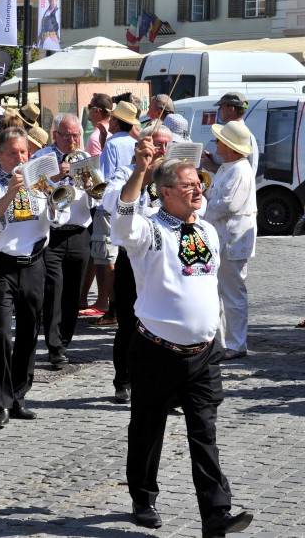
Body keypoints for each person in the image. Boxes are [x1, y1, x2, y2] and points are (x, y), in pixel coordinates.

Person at [113, 140, 253, 537]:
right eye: (190, 185)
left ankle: (216, 515)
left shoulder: (207, 229)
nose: (199, 190)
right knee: (147, 427)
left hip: (203, 354)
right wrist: (141, 170)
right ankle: (142, 497)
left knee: (204, 432)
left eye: (199, 184)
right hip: (156, 350)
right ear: (166, 192)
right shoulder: (150, 232)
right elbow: (123, 223)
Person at [0, 127, 70, 427]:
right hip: (0, 266)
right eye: (13, 153)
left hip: (33, 263)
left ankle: (19, 395)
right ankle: (0, 401)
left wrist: (54, 196)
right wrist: (10, 193)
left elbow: (60, 218)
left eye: (24, 152)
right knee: (1, 332)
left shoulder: (39, 183)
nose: (19, 157)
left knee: (30, 329)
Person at [101, 123, 174, 404]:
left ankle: (165, 384)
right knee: (129, 324)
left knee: (165, 323)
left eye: (166, 144)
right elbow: (110, 201)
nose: (162, 149)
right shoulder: (125, 171)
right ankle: (123, 380)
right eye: (157, 143)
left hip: (164, 259)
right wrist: (140, 175)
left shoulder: (170, 174)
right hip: (132, 258)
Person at [33, 114, 93, 367]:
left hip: (79, 231)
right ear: (55, 134)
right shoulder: (42, 159)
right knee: (53, 290)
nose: (72, 140)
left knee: (74, 292)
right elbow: (30, 189)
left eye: (76, 135)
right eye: (66, 135)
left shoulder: (84, 158)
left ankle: (64, 341)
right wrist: (54, 178)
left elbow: (98, 195)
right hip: (53, 234)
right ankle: (54, 346)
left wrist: (90, 184)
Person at [203, 121, 257, 361]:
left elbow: (228, 204)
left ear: (230, 147)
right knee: (219, 291)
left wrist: (202, 207)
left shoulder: (239, 169)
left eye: (220, 141)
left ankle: (236, 343)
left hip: (232, 239)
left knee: (233, 293)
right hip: (224, 237)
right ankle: (222, 340)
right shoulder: (229, 166)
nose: (216, 144)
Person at [91, 100, 141, 326]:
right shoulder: (134, 142)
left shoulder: (113, 144)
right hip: (130, 206)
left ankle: (112, 308)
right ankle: (118, 306)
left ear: (116, 121)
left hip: (109, 206)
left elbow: (106, 179)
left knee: (108, 259)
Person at [201, 92, 259, 177]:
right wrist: (213, 157)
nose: (219, 109)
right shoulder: (231, 132)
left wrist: (212, 167)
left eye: (221, 106)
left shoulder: (244, 137)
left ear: (231, 109)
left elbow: (244, 173)